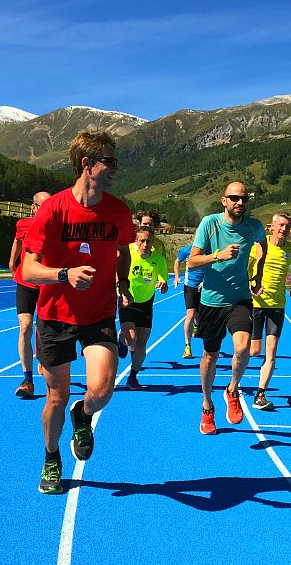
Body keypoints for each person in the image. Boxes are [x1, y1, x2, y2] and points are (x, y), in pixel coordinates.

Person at [22, 131, 135, 495]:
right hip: (55, 316)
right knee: (57, 396)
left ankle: (82, 416)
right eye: (110, 161)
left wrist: (122, 285)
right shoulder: (53, 209)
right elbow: (27, 269)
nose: (115, 168)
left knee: (101, 391)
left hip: (98, 315)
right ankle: (51, 456)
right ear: (86, 165)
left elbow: (124, 251)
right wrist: (64, 275)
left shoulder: (118, 210)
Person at [189, 182, 267, 435]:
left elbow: (262, 248)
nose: (239, 203)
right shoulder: (210, 225)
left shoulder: (253, 226)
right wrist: (217, 256)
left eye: (243, 198)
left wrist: (257, 274)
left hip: (240, 298)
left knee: (244, 348)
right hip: (211, 300)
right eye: (234, 198)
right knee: (210, 356)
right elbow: (191, 263)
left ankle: (232, 389)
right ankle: (207, 405)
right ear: (224, 200)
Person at [248, 211, 291, 411]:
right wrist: (250, 285)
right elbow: (246, 269)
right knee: (253, 351)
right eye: (281, 225)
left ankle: (260, 394)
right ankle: (236, 382)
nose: (284, 230)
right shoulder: (259, 247)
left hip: (277, 306)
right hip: (255, 304)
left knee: (271, 351)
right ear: (271, 226)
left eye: (287, 226)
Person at [9, 190, 52, 398]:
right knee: (25, 327)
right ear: (33, 207)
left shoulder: (55, 227)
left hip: (46, 284)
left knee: (44, 329)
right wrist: (12, 262)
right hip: (26, 282)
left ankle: (43, 358)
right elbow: (18, 240)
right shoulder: (23, 224)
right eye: (42, 206)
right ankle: (27, 380)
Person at [121, 226, 169, 390]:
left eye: (148, 241)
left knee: (141, 344)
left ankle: (133, 377)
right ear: (136, 241)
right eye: (142, 240)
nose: (145, 244)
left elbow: (164, 282)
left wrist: (163, 285)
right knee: (131, 339)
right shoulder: (128, 254)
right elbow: (117, 271)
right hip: (128, 301)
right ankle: (122, 339)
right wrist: (121, 290)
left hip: (147, 304)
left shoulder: (159, 260)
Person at [174, 243, 205, 358]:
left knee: (201, 314)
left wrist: (205, 282)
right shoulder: (187, 250)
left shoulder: (211, 250)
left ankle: (197, 325)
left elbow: (215, 268)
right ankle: (187, 346)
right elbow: (177, 261)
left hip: (204, 287)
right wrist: (177, 277)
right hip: (190, 286)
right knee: (190, 314)